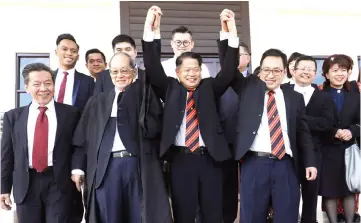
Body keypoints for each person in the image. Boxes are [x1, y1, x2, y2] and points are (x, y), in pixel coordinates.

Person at [218, 9, 317, 223]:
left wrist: (310, 162)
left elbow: (303, 134)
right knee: (252, 217)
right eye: (266, 70)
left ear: (285, 72)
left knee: (288, 217)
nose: (271, 75)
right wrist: (229, 32)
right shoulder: (248, 89)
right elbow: (228, 68)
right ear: (260, 71)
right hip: (255, 164)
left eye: (276, 70)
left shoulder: (294, 97)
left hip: (287, 166)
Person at [142, 6, 239, 223]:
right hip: (180, 160)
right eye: (186, 70)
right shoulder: (169, 88)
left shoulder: (209, 88)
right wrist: (152, 30)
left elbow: (230, 70)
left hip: (210, 159)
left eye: (195, 69)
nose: (191, 73)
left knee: (213, 214)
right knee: (184, 214)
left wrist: (229, 32)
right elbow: (151, 65)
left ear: (201, 70)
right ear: (177, 72)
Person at [71, 50, 171, 223]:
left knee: (139, 216)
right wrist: (78, 168)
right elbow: (82, 139)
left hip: (137, 167)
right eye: (115, 71)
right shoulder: (97, 102)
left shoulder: (145, 96)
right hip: (106, 168)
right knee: (109, 216)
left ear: (133, 71)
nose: (119, 75)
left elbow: (155, 129)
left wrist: (134, 92)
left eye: (124, 70)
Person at [0, 63, 81, 223]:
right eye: (37, 84)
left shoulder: (71, 113)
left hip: (60, 183)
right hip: (26, 183)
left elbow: (78, 147)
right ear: (26, 87)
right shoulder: (13, 117)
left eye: (48, 83)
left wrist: (77, 170)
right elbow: (6, 155)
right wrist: (4, 188)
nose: (43, 88)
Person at [283, 55, 335, 223]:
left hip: (314, 152)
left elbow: (328, 123)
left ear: (316, 73)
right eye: (302, 68)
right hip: (286, 152)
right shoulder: (282, 91)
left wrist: (300, 121)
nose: (306, 72)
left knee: (310, 196)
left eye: (310, 69)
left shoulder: (324, 96)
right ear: (293, 70)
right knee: (286, 194)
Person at [318, 54, 360, 223]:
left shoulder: (355, 94)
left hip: (348, 149)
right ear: (327, 74)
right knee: (330, 190)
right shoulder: (319, 94)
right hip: (327, 149)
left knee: (348, 189)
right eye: (335, 70)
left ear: (349, 72)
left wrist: (352, 131)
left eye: (343, 70)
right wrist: (333, 131)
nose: (339, 74)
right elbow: (314, 121)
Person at [93, 34, 161, 94]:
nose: (124, 53)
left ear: (135, 52)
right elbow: (97, 103)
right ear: (114, 53)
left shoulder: (147, 76)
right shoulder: (102, 77)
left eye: (128, 49)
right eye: (119, 50)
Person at [54, 33, 94, 112]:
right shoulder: (48, 77)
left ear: (78, 56)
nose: (69, 53)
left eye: (73, 51)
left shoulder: (88, 81)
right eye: (64, 49)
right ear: (56, 52)